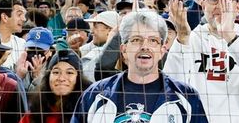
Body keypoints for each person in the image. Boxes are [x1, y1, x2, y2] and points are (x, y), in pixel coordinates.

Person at [72, 11, 206, 123]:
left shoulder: (186, 97)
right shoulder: (95, 95)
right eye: (136, 40)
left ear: (162, 50)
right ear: (123, 50)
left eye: (153, 40)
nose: (144, 47)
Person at [21, 50, 90, 123]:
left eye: (69, 72)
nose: (61, 78)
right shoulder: (35, 112)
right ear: (48, 77)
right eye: (56, 72)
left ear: (79, 78)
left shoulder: (88, 111)